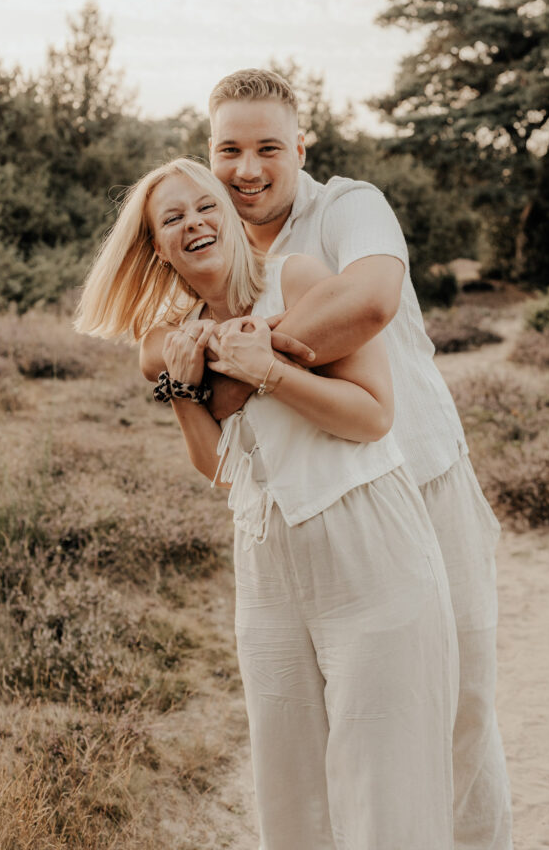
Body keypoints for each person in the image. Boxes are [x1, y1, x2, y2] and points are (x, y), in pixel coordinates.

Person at [140, 69, 512, 850]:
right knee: (341, 739)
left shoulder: (346, 207)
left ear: (299, 148)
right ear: (208, 156)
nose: (247, 169)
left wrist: (242, 366)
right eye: (228, 150)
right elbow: (155, 352)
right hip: (315, 507)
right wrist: (198, 366)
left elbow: (369, 301)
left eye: (267, 147)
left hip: (422, 475)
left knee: (459, 708)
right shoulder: (215, 248)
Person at [75, 157, 459, 850]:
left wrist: (270, 373)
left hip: (369, 541)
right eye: (172, 218)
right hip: (264, 564)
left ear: (228, 213)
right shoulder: (173, 338)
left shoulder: (300, 277)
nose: (193, 222)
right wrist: (185, 390)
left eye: (203, 206)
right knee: (289, 794)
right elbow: (216, 469)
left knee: (385, 783)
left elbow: (371, 417)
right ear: (156, 248)